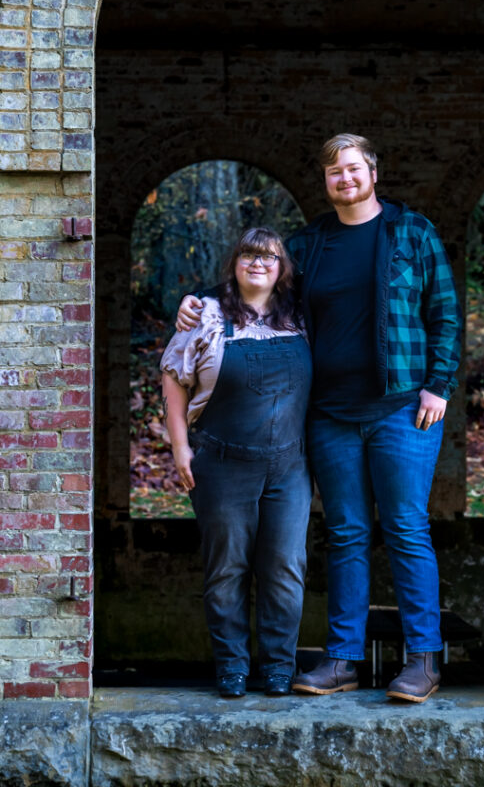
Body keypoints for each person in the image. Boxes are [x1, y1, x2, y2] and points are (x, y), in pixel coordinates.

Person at [176, 135, 461, 702]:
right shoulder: (311, 244)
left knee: (405, 528)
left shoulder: (412, 232)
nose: (345, 179)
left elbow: (445, 311)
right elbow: (258, 283)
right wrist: (199, 299)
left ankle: (422, 660)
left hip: (403, 407)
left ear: (373, 172)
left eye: (353, 168)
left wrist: (438, 386)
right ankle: (342, 660)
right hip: (329, 415)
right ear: (326, 182)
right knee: (346, 534)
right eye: (334, 172)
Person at [161, 226, 312, 699]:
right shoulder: (205, 314)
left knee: (285, 568)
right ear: (235, 263)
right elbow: (173, 378)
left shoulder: (301, 318)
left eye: (268, 257)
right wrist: (179, 446)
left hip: (289, 467)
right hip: (222, 463)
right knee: (227, 569)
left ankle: (278, 670)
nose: (258, 263)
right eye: (248, 255)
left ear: (281, 267)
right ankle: (231, 668)